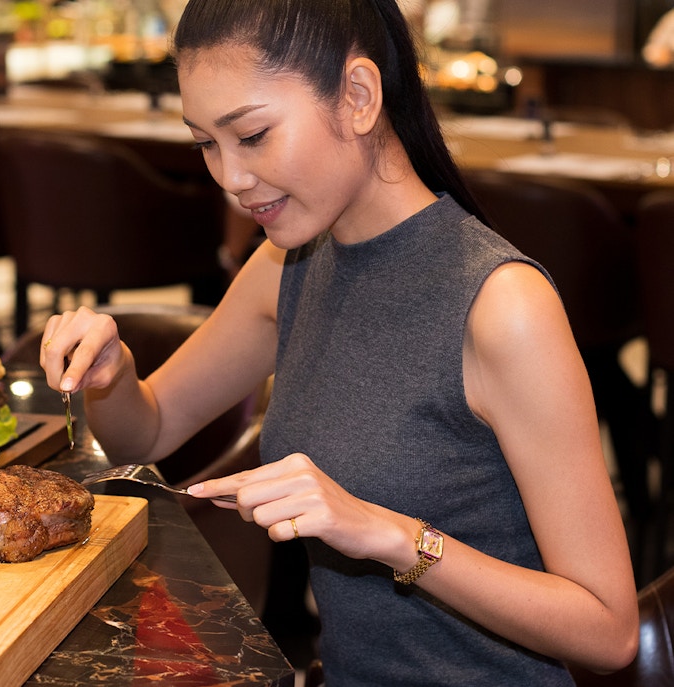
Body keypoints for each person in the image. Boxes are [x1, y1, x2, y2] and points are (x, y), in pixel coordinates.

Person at [37, 0, 639, 683]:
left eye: (254, 135)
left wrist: (390, 534)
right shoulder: (285, 268)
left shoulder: (502, 306)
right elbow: (145, 434)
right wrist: (110, 374)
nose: (230, 178)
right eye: (206, 142)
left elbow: (608, 628)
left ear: (358, 96)